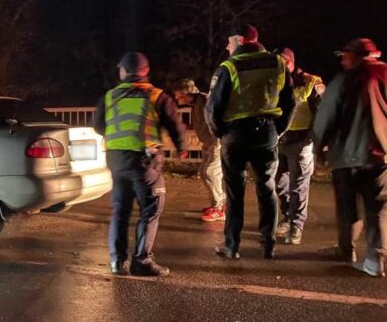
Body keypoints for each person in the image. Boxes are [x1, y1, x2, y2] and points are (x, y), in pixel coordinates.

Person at [204, 24, 295, 259]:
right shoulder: (278, 63)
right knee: (267, 189)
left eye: (229, 41)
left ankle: (232, 246)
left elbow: (213, 108)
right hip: (266, 134)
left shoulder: (229, 67)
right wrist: (278, 130)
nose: (227, 45)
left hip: (235, 135)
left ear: (240, 40)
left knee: (235, 193)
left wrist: (221, 134)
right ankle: (268, 245)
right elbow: (289, 102)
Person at [94, 52, 187, 276]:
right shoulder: (156, 96)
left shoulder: (109, 97)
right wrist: (181, 147)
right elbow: (174, 125)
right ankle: (142, 261)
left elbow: (98, 126)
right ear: (145, 71)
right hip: (145, 162)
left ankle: (117, 263)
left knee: (120, 211)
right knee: (151, 209)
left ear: (125, 72)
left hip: (116, 161)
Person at [312, 38, 386, 277]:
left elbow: (325, 117)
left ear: (354, 55)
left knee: (347, 207)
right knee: (378, 208)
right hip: (381, 156)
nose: (342, 59)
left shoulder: (345, 80)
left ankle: (347, 250)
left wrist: (318, 146)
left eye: (344, 55)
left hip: (347, 156)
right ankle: (376, 259)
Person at [272, 47, 325, 245]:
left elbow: (322, 113)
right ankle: (287, 217)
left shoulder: (311, 82)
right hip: (280, 141)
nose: (282, 65)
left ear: (292, 62)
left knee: (299, 187)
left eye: (285, 61)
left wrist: (312, 139)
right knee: (280, 184)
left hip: (301, 142)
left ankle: (296, 226)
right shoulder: (274, 82)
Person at [174, 79, 226, 221]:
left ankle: (219, 208)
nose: (176, 99)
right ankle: (219, 203)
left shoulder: (204, 100)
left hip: (217, 142)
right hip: (209, 143)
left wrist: (217, 139)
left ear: (187, 93)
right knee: (204, 173)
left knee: (210, 173)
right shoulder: (196, 103)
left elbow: (216, 118)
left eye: (179, 95)